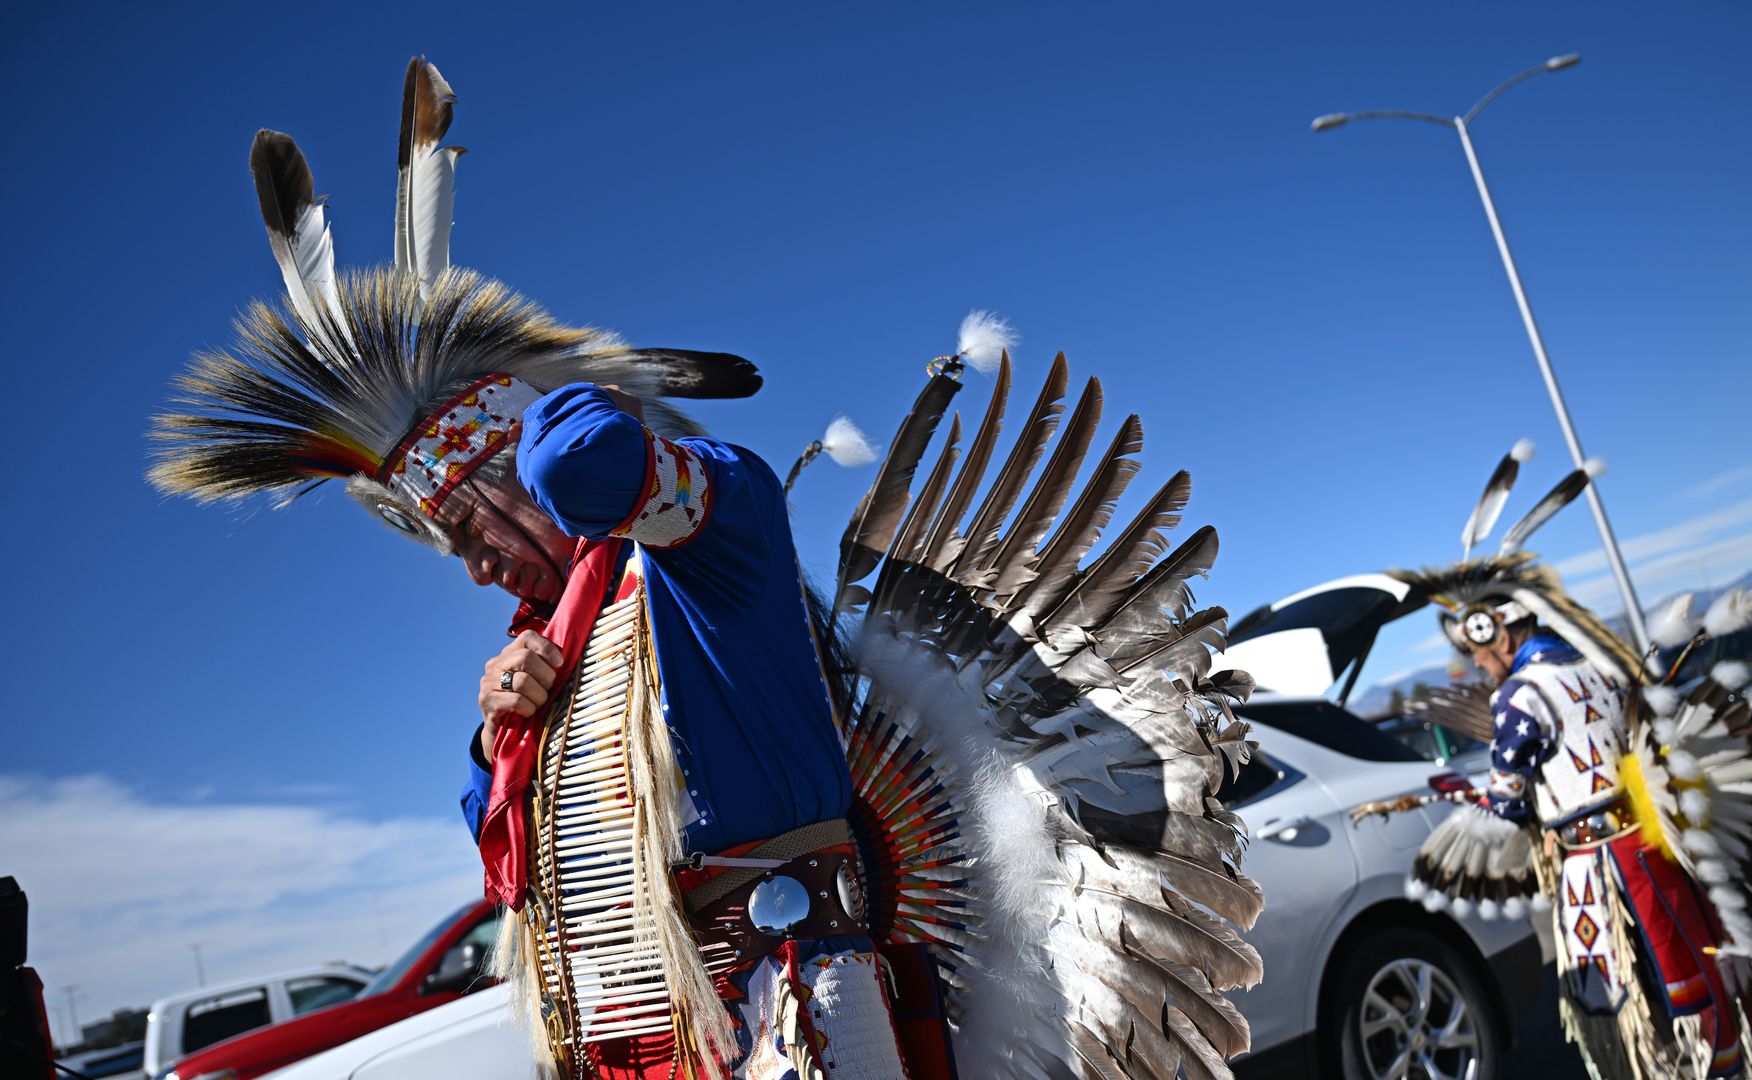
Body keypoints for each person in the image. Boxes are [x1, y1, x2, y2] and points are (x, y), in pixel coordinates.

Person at [153, 57, 1265, 1080]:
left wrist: (540, 406)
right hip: (648, 1039)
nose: (479, 571)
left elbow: (593, 464)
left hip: (797, 1013)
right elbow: (514, 865)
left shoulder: (706, 545)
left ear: (506, 464)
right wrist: (494, 729)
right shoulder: (552, 650)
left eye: (470, 531)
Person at [1370, 443, 1752, 1080]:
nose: (1475, 663)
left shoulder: (1520, 697)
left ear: (1496, 629)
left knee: (1636, 994)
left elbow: (1510, 805)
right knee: (1698, 963)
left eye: (1475, 643)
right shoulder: (1598, 663)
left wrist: (1455, 796)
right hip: (1655, 842)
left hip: (1602, 865)